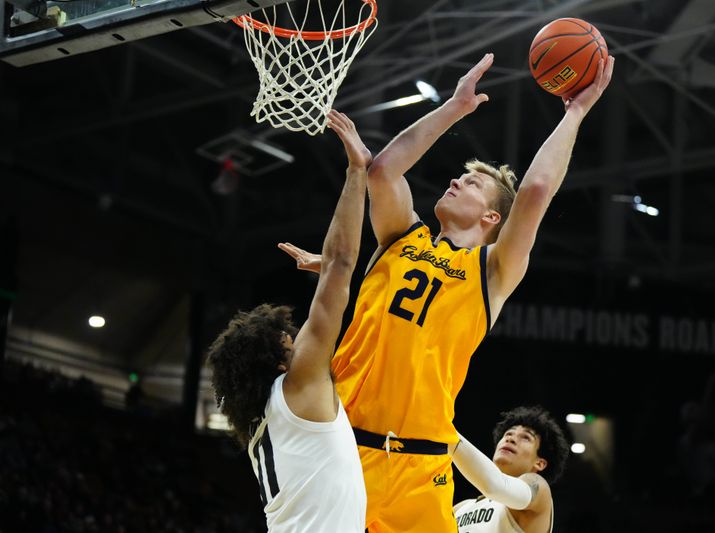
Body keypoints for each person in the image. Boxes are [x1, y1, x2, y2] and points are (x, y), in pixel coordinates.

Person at [279, 53, 615, 532]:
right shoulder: (402, 238)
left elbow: (537, 190)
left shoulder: (491, 271)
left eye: (472, 183)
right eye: (459, 176)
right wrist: (454, 108)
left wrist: (575, 113)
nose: (455, 180)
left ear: (492, 219)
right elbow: (383, 172)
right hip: (344, 449)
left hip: (423, 466)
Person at [206, 110, 370, 533]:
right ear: (279, 362)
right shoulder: (297, 386)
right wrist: (357, 170)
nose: (297, 341)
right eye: (288, 339)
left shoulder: (267, 417)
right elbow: (342, 260)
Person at [451, 406, 570, 533]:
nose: (510, 439)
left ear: (540, 463)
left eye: (525, 437)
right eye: (508, 433)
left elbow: (494, 486)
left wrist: (445, 433)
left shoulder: (539, 492)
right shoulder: (461, 508)